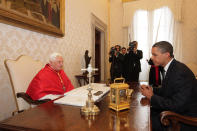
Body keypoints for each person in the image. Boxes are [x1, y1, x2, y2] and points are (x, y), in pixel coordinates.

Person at [140, 41, 197, 131]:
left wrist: (151, 97)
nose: (152, 57)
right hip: (177, 111)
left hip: (183, 120)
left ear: (167, 54)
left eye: (155, 55)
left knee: (143, 124)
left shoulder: (180, 72)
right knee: (144, 115)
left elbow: (176, 106)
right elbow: (167, 90)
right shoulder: (172, 67)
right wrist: (152, 90)